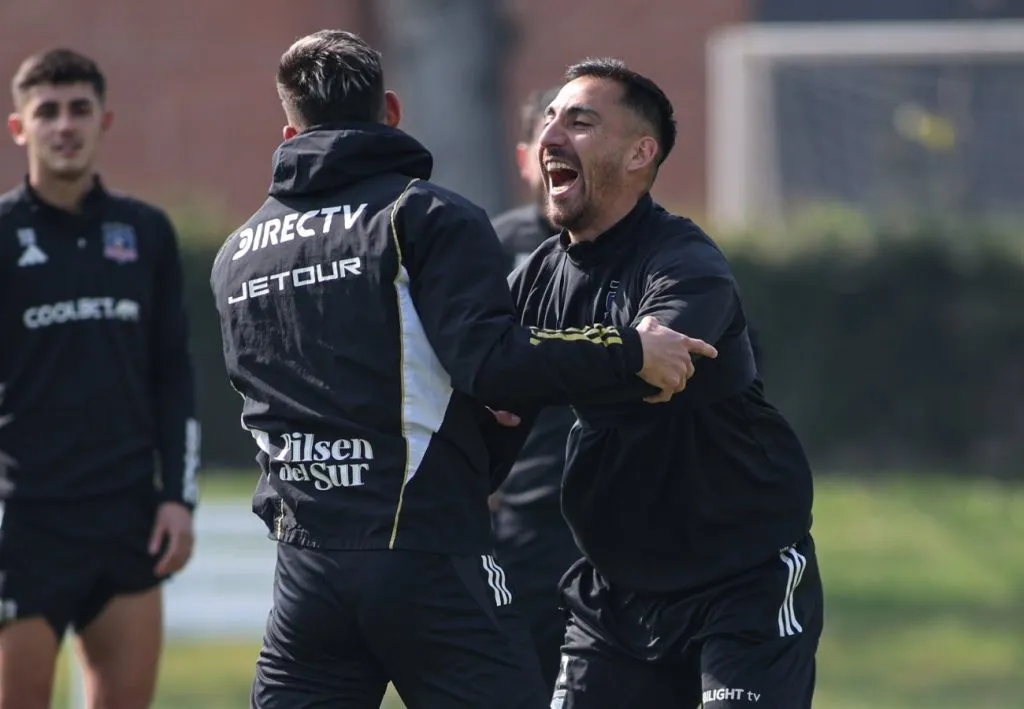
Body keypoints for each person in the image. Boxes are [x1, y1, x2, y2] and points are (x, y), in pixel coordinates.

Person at [209, 30, 716, 709]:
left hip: (307, 570)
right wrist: (630, 352)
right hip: (426, 553)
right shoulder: (423, 214)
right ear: (390, 110)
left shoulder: (236, 252)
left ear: (288, 130)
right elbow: (494, 364)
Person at [495, 58, 822, 709]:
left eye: (580, 120)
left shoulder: (685, 260)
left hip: (741, 582)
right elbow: (489, 383)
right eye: (551, 118)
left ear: (641, 153)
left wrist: (528, 361)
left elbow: (663, 368)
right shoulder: (537, 274)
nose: (553, 133)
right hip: (614, 594)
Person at [0, 49, 200, 709]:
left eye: (79, 109)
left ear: (104, 119)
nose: (65, 125)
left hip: (125, 519)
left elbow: (174, 374)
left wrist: (178, 496)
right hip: (22, 523)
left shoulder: (145, 233)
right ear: (19, 128)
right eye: (47, 111)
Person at [488, 85, 582, 692]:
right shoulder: (486, 248)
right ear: (528, 158)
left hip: (618, 518)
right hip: (519, 519)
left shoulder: (662, 254)